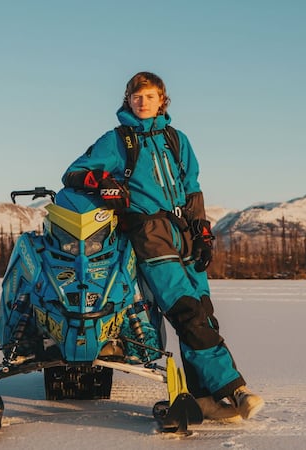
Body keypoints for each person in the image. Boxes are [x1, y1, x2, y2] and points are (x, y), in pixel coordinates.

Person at [62, 71, 264, 421]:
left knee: (203, 312)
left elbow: (192, 187)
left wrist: (202, 231)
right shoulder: (117, 140)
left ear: (162, 100)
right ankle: (233, 388)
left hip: (183, 230)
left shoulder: (177, 139)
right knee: (185, 309)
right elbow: (75, 173)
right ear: (128, 100)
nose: (143, 102)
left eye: (150, 96)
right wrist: (105, 182)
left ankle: (203, 397)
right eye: (137, 97)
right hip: (147, 230)